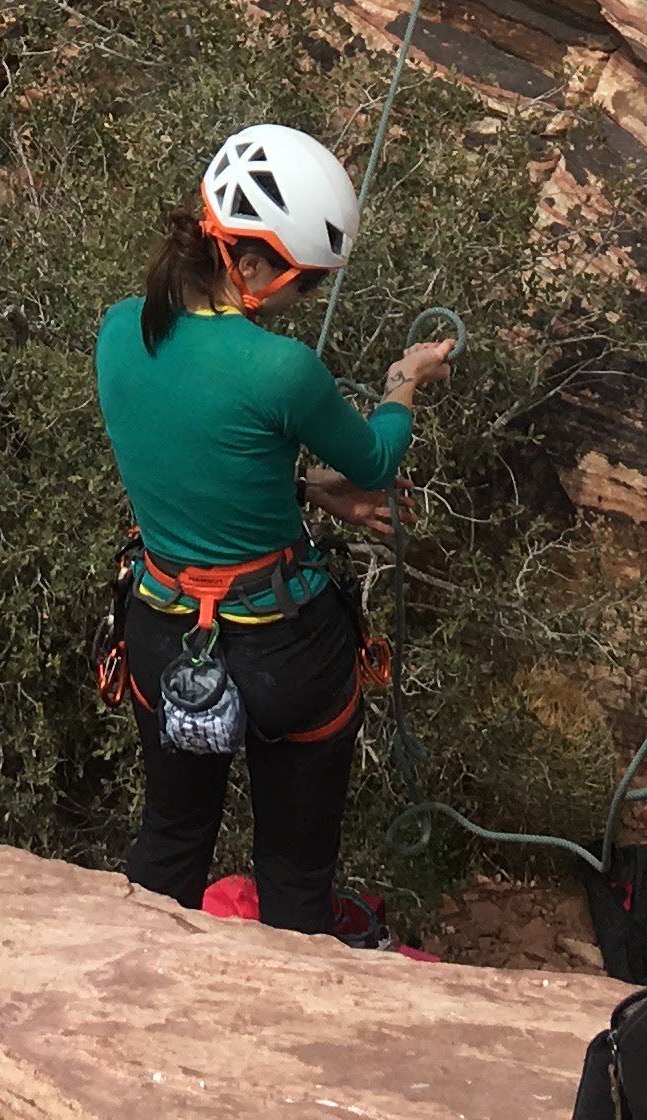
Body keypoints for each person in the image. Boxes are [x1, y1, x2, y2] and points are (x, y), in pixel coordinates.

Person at [93, 121, 453, 935]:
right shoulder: (279, 369)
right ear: (252, 266)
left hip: (164, 630)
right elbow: (371, 463)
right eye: (307, 283)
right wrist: (403, 382)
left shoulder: (120, 329)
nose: (306, 303)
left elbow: (199, 457)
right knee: (295, 876)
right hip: (283, 648)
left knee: (169, 846)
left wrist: (299, 484)